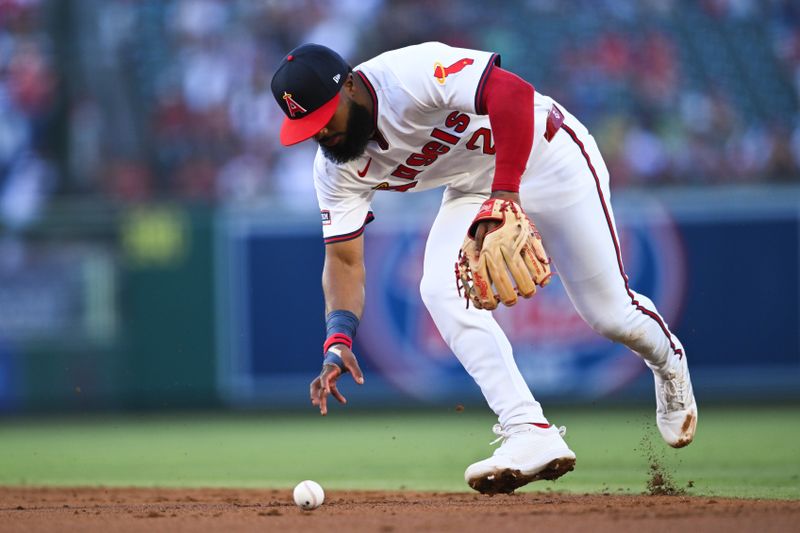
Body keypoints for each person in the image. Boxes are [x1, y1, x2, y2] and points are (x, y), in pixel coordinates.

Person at [270, 42, 697, 495]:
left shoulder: (407, 75)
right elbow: (343, 260)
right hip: (475, 186)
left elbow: (511, 92)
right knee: (438, 287)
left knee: (611, 315)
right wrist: (338, 339)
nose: (321, 135)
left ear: (350, 86)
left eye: (323, 117)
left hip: (546, 155)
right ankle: (528, 430)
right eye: (306, 127)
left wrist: (507, 195)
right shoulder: (335, 170)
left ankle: (668, 361)